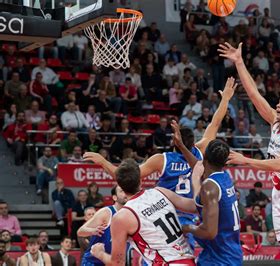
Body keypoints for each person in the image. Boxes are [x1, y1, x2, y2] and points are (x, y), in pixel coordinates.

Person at [84, 77, 238, 250]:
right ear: (193, 143)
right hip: (189, 216)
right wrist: (225, 98)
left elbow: (125, 177)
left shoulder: (162, 159)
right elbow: (215, 122)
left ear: (175, 141)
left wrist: (102, 161)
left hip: (164, 216)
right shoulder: (201, 152)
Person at [220, 42, 280, 266]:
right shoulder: (275, 122)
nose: (278, 104)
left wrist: (244, 159)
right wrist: (239, 62)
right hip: (279, 192)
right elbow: (254, 94)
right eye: (279, 101)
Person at [90, 159, 194, 265]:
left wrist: (100, 253)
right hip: (188, 260)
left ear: (120, 186)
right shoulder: (161, 191)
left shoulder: (122, 216)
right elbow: (195, 206)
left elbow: (117, 263)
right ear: (140, 180)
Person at [161, 138, 243, 265]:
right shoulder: (225, 178)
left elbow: (209, 232)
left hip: (219, 259)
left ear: (204, 158)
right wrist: (182, 146)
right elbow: (197, 203)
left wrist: (188, 228)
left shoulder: (210, 188)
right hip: (230, 252)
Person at [79, 185, 127, 265]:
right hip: (93, 262)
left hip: (112, 262)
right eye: (122, 191)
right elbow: (80, 232)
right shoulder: (106, 212)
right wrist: (93, 230)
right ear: (115, 197)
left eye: (127, 191)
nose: (125, 193)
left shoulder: (131, 215)